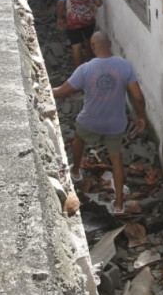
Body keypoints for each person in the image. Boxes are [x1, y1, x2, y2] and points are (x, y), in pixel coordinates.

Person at [52, 30, 146, 215]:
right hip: (116, 125)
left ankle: (76, 171)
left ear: (93, 46)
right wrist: (140, 117)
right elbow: (138, 97)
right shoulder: (125, 66)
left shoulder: (85, 69)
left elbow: (63, 92)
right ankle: (119, 205)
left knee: (79, 136)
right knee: (116, 159)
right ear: (110, 44)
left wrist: (47, 88)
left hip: (90, 121)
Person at [56, 0, 103, 68]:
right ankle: (89, 65)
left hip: (73, 21)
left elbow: (60, 2)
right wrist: (100, 1)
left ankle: (79, 72)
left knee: (76, 46)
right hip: (88, 20)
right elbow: (98, 3)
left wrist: (59, 18)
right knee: (88, 42)